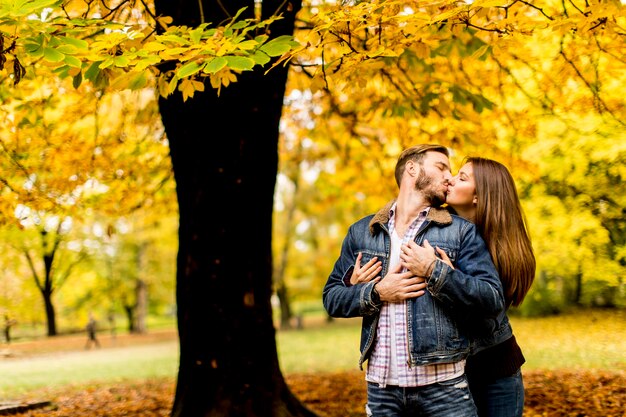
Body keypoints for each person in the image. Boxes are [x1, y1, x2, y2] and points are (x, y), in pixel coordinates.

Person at [323, 144, 506, 417]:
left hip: (444, 388)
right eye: (441, 167)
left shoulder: (459, 231)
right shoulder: (363, 232)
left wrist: (435, 270)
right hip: (381, 390)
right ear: (412, 168)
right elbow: (331, 298)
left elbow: (492, 299)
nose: (448, 176)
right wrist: (376, 292)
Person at [440, 157, 536, 416]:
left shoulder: (505, 250)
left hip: (497, 372)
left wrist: (447, 276)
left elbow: (486, 319)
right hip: (447, 376)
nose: (450, 179)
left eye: (462, 178)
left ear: (479, 198)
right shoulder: (437, 228)